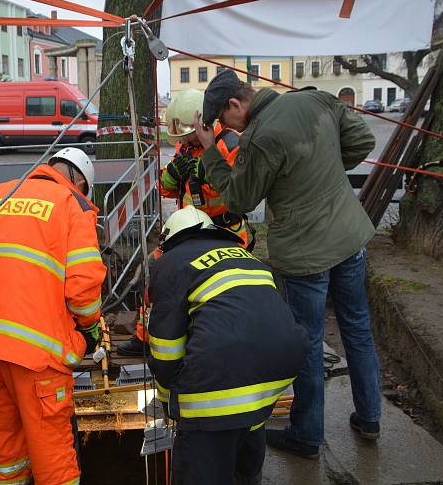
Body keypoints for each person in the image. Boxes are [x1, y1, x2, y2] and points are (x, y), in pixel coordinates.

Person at [195, 69, 381, 459]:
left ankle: (307, 435)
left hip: (305, 254)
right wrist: (324, 167)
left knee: (310, 342)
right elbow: (362, 140)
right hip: (350, 239)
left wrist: (212, 152)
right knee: (358, 328)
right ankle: (370, 418)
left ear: (235, 105)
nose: (225, 128)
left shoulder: (260, 139)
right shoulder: (314, 99)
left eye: (222, 120)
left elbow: (238, 200)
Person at [0, 148, 106, 485]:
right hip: (35, 354)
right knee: (54, 458)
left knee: (6, 453)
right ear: (79, 181)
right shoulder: (72, 204)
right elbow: (82, 289)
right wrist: (90, 328)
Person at [148, 206, 308, 484]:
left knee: (203, 456)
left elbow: (166, 347)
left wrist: (170, 402)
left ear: (170, 240)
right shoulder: (248, 257)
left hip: (221, 369)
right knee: (245, 427)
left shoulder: (170, 263)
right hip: (280, 368)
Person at [118, 87, 250, 357]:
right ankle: (146, 337)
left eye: (188, 133)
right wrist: (175, 172)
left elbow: (239, 193)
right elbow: (167, 188)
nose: (186, 140)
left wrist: (207, 176)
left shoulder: (230, 144)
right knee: (157, 273)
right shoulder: (185, 146)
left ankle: (224, 343)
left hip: (225, 231)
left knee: (223, 292)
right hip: (188, 232)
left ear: (201, 123)